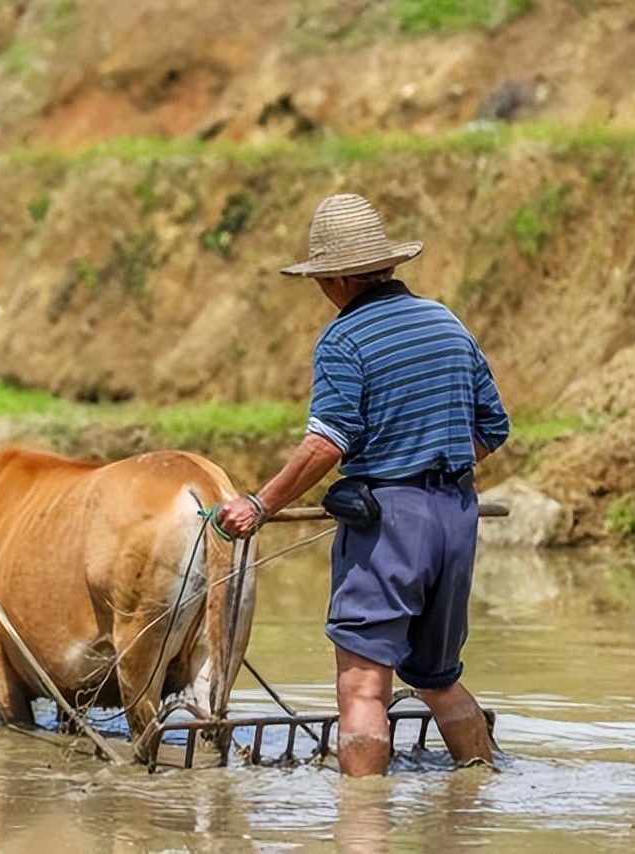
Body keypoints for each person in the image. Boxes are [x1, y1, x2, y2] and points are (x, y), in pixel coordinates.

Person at [216, 193, 509, 776]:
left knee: (364, 690)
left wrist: (260, 505)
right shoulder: (446, 321)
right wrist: (432, 459)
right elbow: (492, 428)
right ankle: (476, 801)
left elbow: (328, 440)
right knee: (439, 679)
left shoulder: (345, 340)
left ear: (344, 276)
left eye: (324, 278)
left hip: (389, 523)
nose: (323, 290)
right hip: (457, 515)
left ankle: (362, 826)